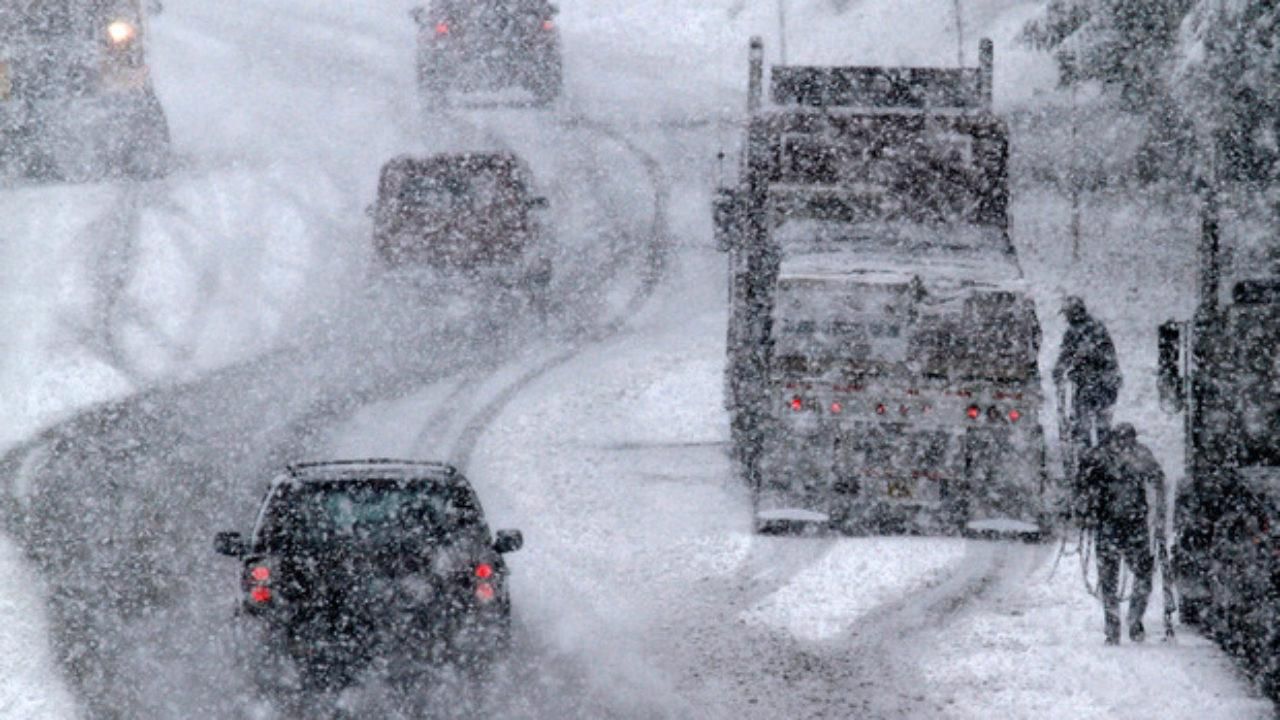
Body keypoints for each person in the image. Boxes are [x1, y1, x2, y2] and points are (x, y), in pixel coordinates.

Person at [1075, 423, 1169, 645]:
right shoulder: (1138, 455)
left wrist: (1085, 511)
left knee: (1112, 578)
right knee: (1137, 574)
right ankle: (1128, 622)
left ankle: (1118, 625)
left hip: (1114, 525)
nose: (1125, 444)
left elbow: (1083, 485)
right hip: (1128, 524)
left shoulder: (1101, 455)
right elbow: (1158, 480)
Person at [1053, 296, 1122, 458]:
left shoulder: (1093, 329)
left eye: (1068, 314)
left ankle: (1097, 461)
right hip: (1095, 384)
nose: (1067, 319)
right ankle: (1090, 459)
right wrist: (1059, 369)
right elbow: (1066, 355)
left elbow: (1095, 356)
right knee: (1086, 425)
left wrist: (1073, 365)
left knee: (1094, 426)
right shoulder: (1078, 331)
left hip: (1100, 385)